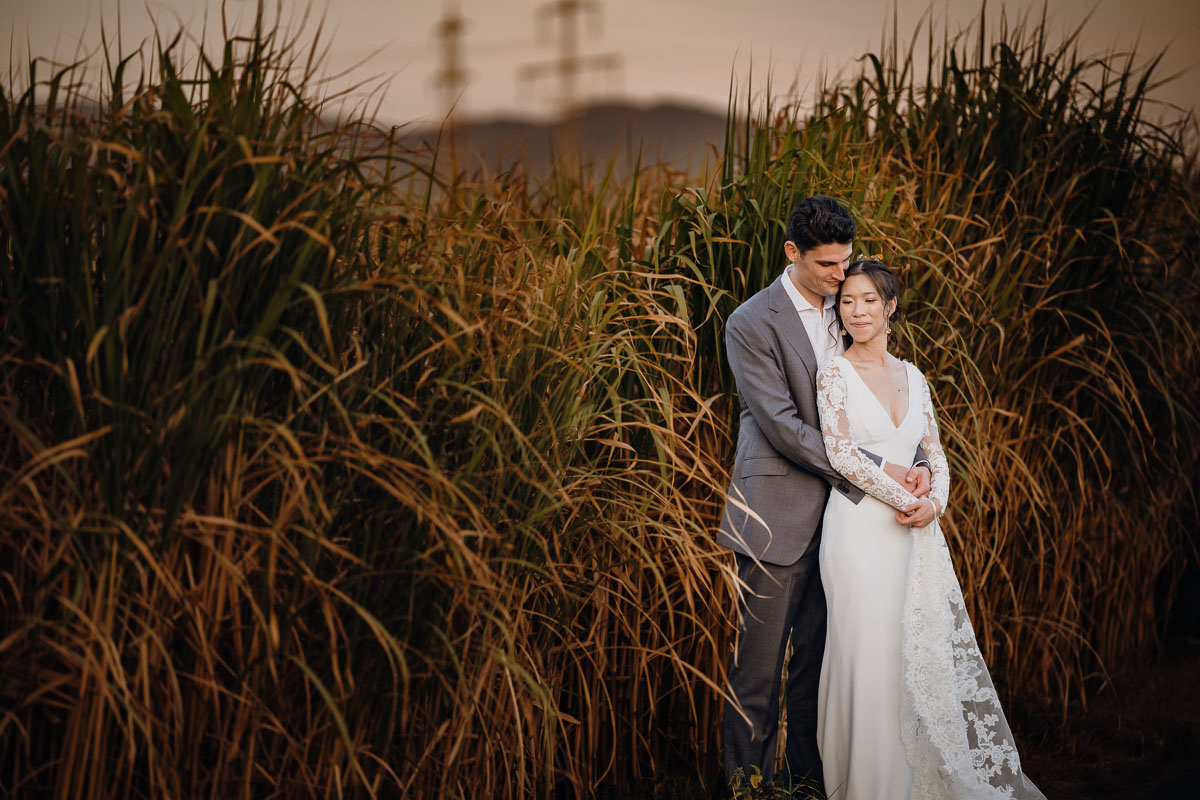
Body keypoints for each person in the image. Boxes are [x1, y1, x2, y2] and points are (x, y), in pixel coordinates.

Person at [717, 196, 932, 793]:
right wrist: (880, 469)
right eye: (828, 266)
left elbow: (878, 400)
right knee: (757, 674)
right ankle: (747, 788)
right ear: (793, 253)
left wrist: (915, 465)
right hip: (776, 516)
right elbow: (783, 425)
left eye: (847, 262)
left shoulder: (850, 310)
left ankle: (810, 784)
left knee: (818, 670)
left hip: (845, 527)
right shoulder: (750, 323)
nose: (842, 277)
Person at [815, 259, 1045, 799]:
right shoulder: (833, 372)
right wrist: (905, 500)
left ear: (890, 306)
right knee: (866, 654)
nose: (857, 311)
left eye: (869, 300)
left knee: (912, 654)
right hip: (857, 532)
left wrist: (935, 503)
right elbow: (842, 455)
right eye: (847, 301)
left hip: (914, 535)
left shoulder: (913, 375)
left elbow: (935, 454)